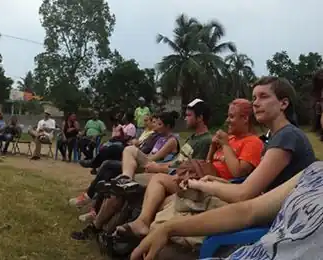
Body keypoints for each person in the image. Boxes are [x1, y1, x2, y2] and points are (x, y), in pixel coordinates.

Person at [131, 77, 317, 260]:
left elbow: (244, 194)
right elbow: (257, 186)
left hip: (274, 219)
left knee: (183, 205)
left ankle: (154, 233)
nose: (256, 103)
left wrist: (205, 185)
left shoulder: (287, 137)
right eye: (254, 98)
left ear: (283, 103)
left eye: (263, 97)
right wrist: (217, 181)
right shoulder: (276, 137)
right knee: (179, 201)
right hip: (264, 207)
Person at [115, 99, 265, 246]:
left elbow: (238, 173)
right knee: (159, 193)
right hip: (203, 180)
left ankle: (142, 224)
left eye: (231, 116)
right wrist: (213, 148)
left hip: (218, 189)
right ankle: (138, 229)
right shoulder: (231, 139)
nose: (227, 121)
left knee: (159, 182)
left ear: (245, 119)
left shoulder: (252, 142)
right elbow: (208, 164)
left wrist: (225, 144)